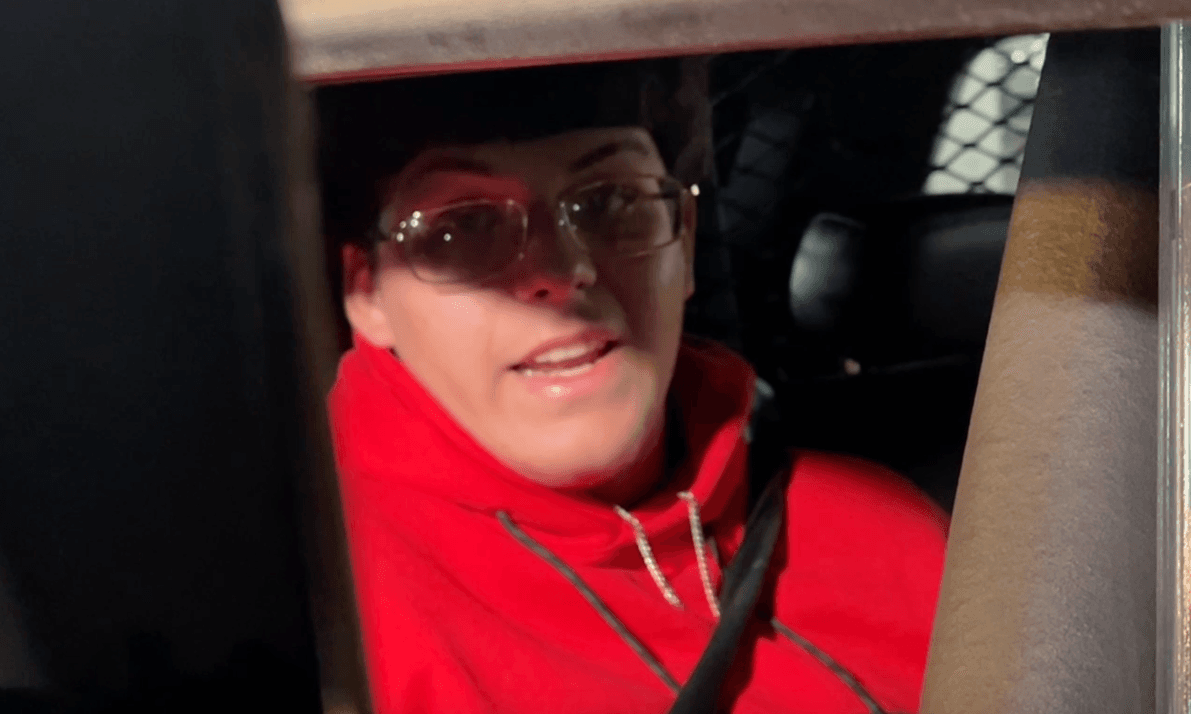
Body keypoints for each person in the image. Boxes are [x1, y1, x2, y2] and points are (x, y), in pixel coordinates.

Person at [315, 58, 948, 714]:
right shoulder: (312, 609)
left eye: (611, 202)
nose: (564, 269)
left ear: (684, 241)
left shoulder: (888, 530)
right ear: (367, 294)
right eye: (464, 226)